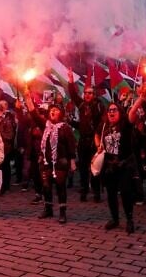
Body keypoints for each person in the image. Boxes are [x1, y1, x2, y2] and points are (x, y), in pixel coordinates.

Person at [25, 89, 76, 223]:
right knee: (46, 186)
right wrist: (27, 98)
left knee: (60, 187)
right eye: (51, 110)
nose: (53, 111)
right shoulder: (45, 125)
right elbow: (34, 114)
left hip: (60, 162)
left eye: (56, 110)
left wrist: (72, 161)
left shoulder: (65, 128)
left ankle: (62, 212)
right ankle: (48, 209)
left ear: (61, 113)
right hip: (46, 162)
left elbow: (71, 146)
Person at [95, 100, 137, 233]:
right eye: (109, 110)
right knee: (111, 193)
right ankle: (115, 219)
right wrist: (99, 145)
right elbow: (96, 135)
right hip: (109, 165)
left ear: (120, 112)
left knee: (125, 192)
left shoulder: (125, 125)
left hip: (124, 164)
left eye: (114, 110)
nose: (111, 112)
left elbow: (132, 113)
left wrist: (140, 98)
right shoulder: (104, 126)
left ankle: (129, 219)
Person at [67, 68, 104, 202]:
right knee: (82, 167)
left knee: (94, 167)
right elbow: (73, 95)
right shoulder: (82, 105)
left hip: (93, 141)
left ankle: (96, 193)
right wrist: (71, 81)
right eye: (85, 93)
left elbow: (101, 123)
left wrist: (98, 140)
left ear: (94, 95)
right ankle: (84, 191)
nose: (87, 95)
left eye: (90, 93)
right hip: (83, 141)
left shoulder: (98, 105)